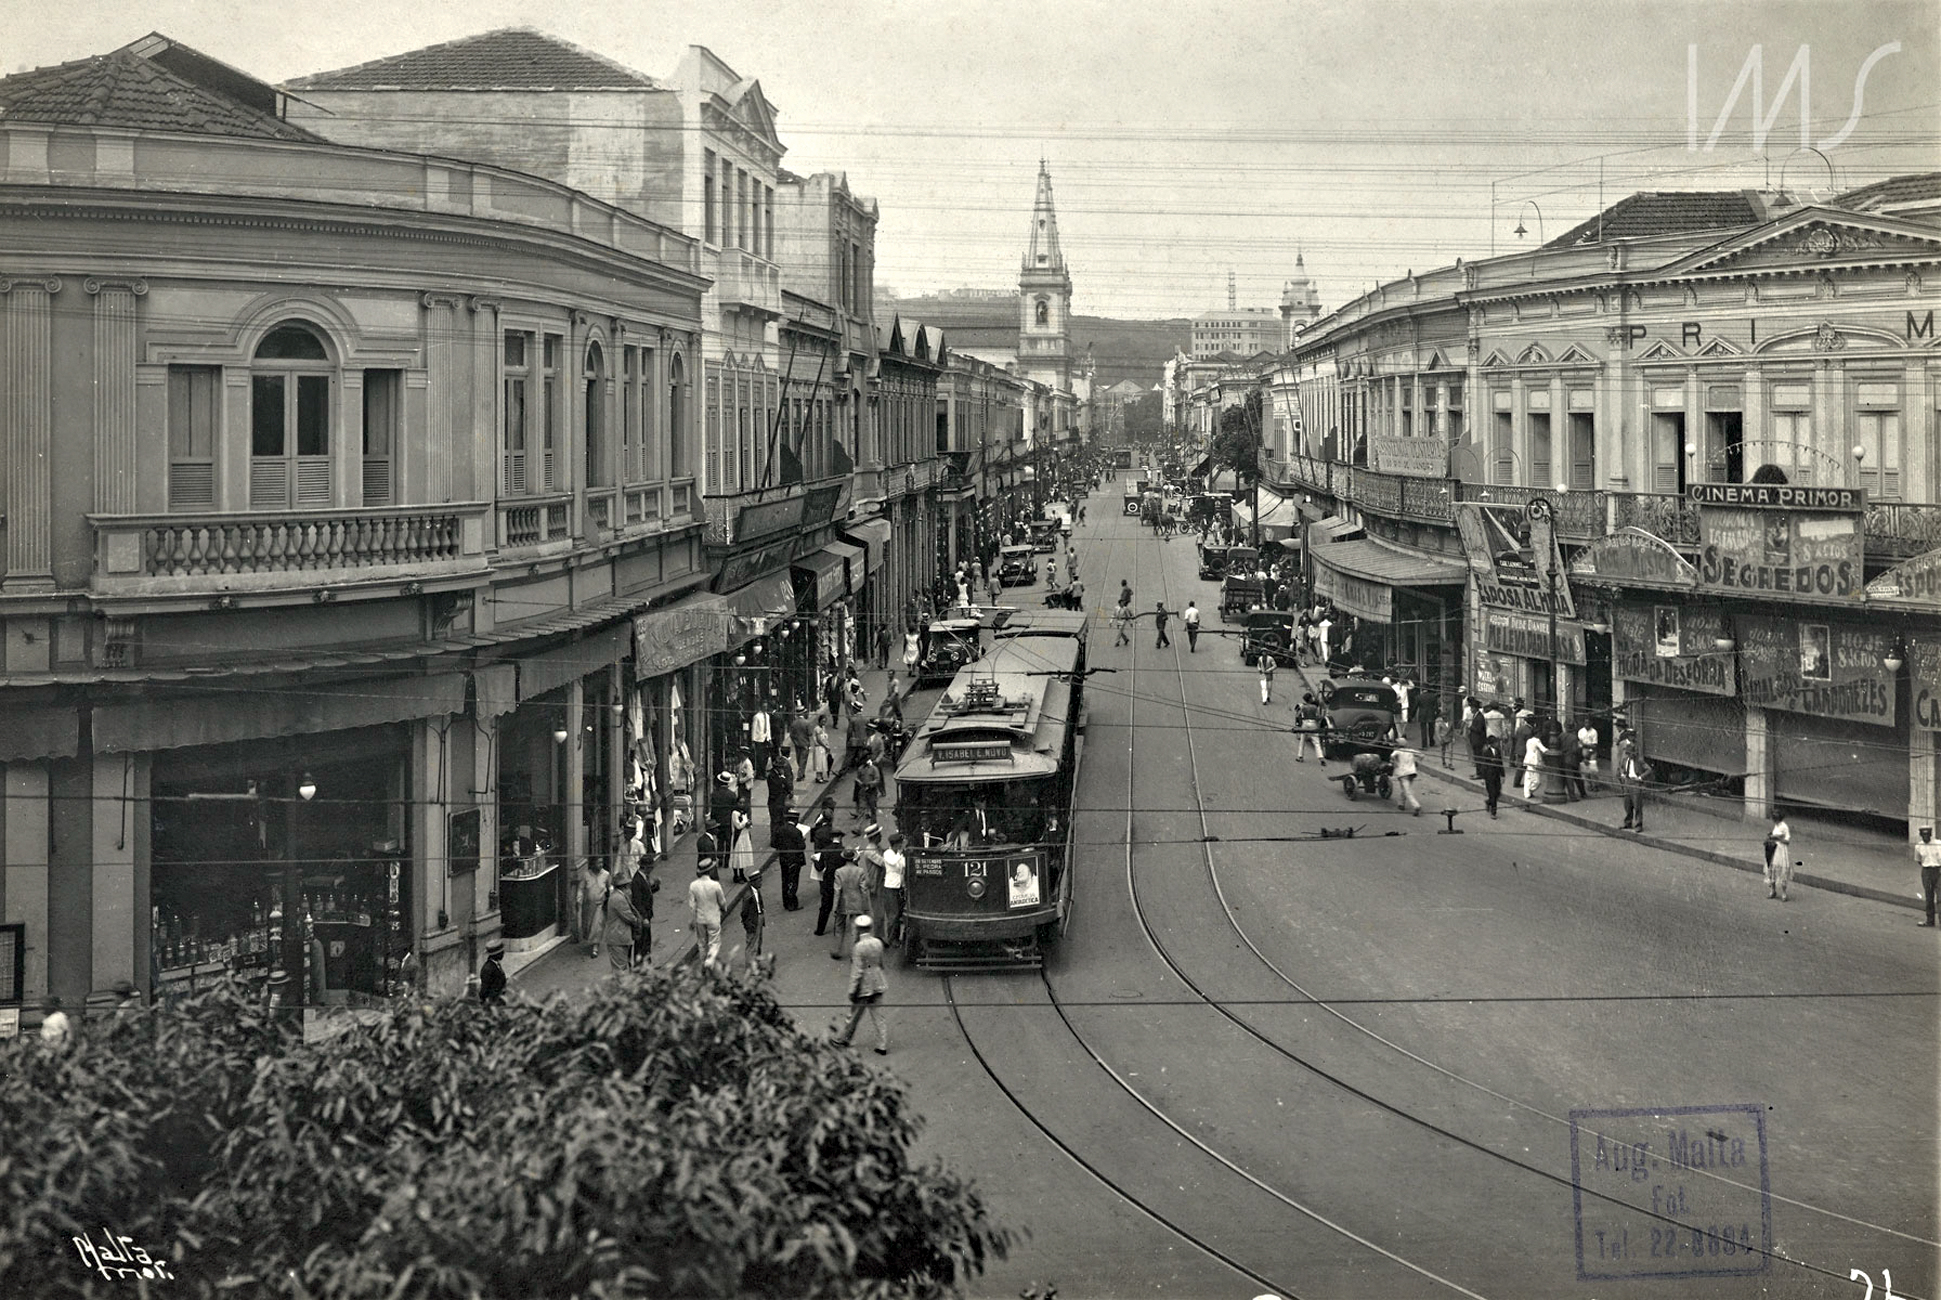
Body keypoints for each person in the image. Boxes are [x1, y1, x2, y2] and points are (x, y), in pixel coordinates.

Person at [831, 914, 890, 1055]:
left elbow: (857, 971)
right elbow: (881, 963)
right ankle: (882, 1045)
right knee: (878, 1016)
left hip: (864, 986)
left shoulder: (858, 947)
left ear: (858, 929)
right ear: (870, 928)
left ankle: (844, 1038)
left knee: (853, 1014)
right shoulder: (878, 943)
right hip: (878, 981)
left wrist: (852, 990)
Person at [830, 848, 872, 960]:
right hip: (856, 903)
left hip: (842, 903)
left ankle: (837, 950)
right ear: (854, 857)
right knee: (855, 929)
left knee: (839, 927)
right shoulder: (860, 871)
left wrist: (834, 907)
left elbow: (837, 890)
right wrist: (865, 906)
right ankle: (854, 954)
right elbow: (864, 890)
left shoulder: (839, 872)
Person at [687, 861, 727, 970]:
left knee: (701, 942)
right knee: (714, 942)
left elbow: (692, 905)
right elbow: (722, 901)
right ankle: (709, 962)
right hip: (713, 917)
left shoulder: (693, 885)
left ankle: (703, 961)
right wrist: (724, 909)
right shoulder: (715, 885)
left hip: (700, 918)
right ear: (710, 871)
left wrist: (692, 919)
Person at [603, 871, 642, 972]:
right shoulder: (618, 898)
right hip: (618, 938)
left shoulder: (618, 896)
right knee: (620, 968)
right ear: (625, 886)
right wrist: (638, 921)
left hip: (619, 937)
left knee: (622, 966)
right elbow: (629, 917)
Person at [773, 807, 808, 911]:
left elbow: (773, 843)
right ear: (796, 820)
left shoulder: (779, 830)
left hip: (783, 859)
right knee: (793, 881)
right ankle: (792, 903)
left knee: (785, 880)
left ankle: (785, 902)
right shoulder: (797, 832)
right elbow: (802, 846)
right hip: (794, 860)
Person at [628, 866, 660, 969]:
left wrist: (656, 885)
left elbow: (647, 892)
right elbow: (637, 901)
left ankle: (646, 963)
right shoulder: (637, 880)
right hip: (642, 917)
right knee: (641, 941)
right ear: (647, 867)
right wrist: (644, 917)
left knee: (647, 940)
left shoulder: (644, 877)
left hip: (647, 915)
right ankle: (639, 965)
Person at [1615, 731, 1647, 831]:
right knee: (1627, 804)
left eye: (1632, 754)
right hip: (1627, 782)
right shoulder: (1626, 760)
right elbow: (1622, 768)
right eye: (1629, 754)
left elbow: (1649, 769)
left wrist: (1640, 777)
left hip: (1636, 783)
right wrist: (1622, 774)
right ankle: (1628, 822)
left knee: (1637, 805)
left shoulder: (1639, 761)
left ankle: (1638, 824)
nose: (1630, 755)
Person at [577, 857, 609, 957]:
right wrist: (579, 900)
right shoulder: (586, 875)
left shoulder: (606, 874)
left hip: (600, 904)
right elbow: (581, 889)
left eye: (601, 862)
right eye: (598, 862)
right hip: (588, 905)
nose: (600, 865)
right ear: (593, 864)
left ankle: (595, 948)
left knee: (598, 926)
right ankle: (591, 942)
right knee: (588, 926)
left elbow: (610, 888)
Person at [881, 832, 908, 946]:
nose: (901, 846)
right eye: (899, 844)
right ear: (895, 844)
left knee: (899, 913)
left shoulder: (899, 855)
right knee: (893, 914)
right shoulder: (888, 853)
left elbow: (904, 865)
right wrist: (900, 853)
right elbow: (892, 863)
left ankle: (896, 938)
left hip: (899, 887)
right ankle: (890, 938)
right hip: (890, 887)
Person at [1763, 809, 1794, 901]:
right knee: (1772, 869)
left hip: (1781, 851)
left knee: (1782, 871)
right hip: (1773, 850)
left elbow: (1787, 841)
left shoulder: (1784, 827)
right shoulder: (1777, 825)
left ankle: (1784, 893)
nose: (1774, 821)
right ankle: (1773, 891)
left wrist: (1777, 838)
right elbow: (1774, 834)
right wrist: (1771, 835)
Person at [739, 866, 766, 965]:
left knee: (758, 942)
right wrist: (748, 925)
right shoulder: (748, 895)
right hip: (753, 922)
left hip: (758, 918)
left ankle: (756, 964)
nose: (761, 882)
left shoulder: (756, 891)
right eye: (759, 880)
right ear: (753, 882)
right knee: (751, 945)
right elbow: (744, 913)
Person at [1917, 827, 1941, 927]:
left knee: (1940, 897)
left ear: (1931, 835)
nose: (1925, 837)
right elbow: (1918, 860)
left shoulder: (1938, 843)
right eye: (1923, 835)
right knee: (1929, 897)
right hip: (1927, 871)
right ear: (1921, 835)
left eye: (1927, 835)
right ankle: (1930, 920)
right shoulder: (1919, 846)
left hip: (1939, 870)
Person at [1293, 692, 1326, 763]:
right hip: (1313, 723)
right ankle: (1321, 758)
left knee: (1302, 741)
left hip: (1305, 723)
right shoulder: (1314, 707)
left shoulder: (1303, 707)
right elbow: (1317, 717)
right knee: (1316, 742)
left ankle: (1300, 756)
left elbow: (1298, 715)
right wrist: (1322, 716)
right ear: (1310, 699)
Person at [1477, 735, 1505, 819]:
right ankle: (1493, 812)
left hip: (1496, 775)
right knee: (1492, 793)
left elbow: (1500, 764)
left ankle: (1488, 802)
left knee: (1498, 792)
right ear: (1491, 744)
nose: (1497, 744)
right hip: (1489, 776)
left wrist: (1502, 775)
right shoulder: (1486, 752)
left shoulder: (1498, 751)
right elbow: (1484, 765)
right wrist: (1482, 777)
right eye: (1496, 742)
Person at [1521, 728, 1550, 801]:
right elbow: (1543, 749)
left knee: (1528, 777)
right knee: (1537, 780)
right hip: (1534, 761)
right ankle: (1529, 791)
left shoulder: (1529, 740)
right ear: (1537, 734)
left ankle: (1527, 793)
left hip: (1528, 760)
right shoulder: (1537, 741)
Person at [476, 939, 508, 1005]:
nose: (503, 954)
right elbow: (484, 990)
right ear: (496, 954)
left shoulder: (496, 965)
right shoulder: (488, 969)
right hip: (493, 1004)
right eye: (501, 952)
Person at [853, 752, 883, 824]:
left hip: (872, 792)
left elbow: (877, 780)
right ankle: (857, 827)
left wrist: (870, 784)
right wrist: (859, 782)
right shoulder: (860, 769)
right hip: (863, 791)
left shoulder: (874, 769)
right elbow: (858, 778)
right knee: (861, 809)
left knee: (873, 809)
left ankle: (873, 824)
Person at [789, 705, 817, 781]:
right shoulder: (806, 723)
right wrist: (811, 744)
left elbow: (791, 735)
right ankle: (800, 775)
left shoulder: (794, 723)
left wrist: (795, 742)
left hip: (797, 744)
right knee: (803, 760)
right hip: (805, 744)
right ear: (803, 713)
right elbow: (810, 734)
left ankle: (801, 773)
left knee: (799, 759)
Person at [1577, 717, 1601, 792]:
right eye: (1585, 722)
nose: (1587, 724)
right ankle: (1588, 785)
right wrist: (1584, 746)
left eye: (1588, 722)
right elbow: (1580, 743)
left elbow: (1594, 745)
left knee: (1593, 768)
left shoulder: (1594, 732)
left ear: (1591, 723)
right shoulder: (1581, 731)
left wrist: (1586, 745)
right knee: (1585, 768)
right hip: (1584, 750)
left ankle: (1595, 785)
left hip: (1592, 750)